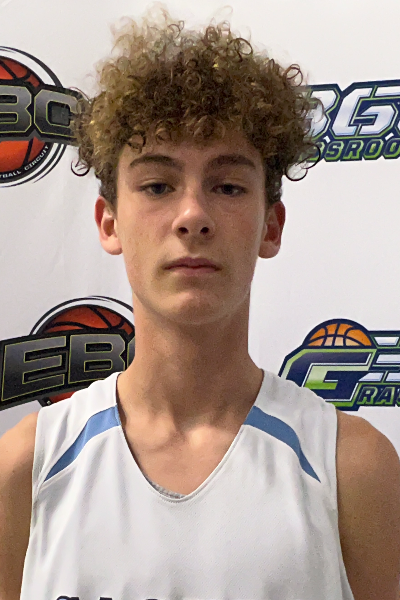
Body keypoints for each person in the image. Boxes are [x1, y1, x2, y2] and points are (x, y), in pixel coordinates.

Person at [1, 6, 400, 600]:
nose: (192, 215)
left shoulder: (351, 466)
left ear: (271, 226)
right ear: (109, 222)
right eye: (158, 186)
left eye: (228, 185)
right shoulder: (26, 467)